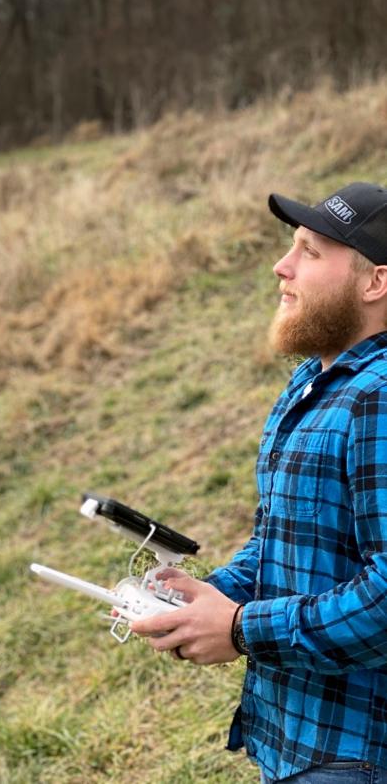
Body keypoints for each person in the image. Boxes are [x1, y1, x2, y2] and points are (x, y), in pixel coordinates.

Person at [131, 182, 387, 784]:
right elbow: (284, 541)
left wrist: (241, 628)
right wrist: (206, 598)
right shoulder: (314, 382)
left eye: (311, 253)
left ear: (376, 282)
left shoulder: (379, 398)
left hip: (358, 752)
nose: (283, 266)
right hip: (296, 735)